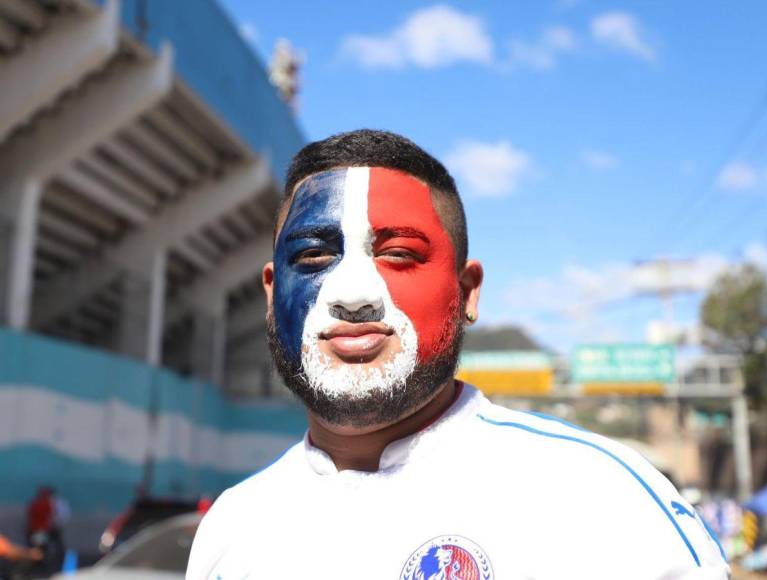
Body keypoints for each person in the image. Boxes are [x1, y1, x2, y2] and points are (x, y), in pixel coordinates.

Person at [186, 129, 729, 579]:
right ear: (270, 292)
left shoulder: (601, 498)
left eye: (398, 254)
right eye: (313, 255)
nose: (353, 294)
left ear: (467, 292)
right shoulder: (233, 526)